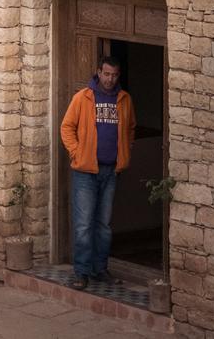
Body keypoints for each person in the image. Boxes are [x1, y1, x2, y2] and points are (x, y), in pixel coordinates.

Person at [60, 53, 136, 290]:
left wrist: (125, 151)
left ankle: (100, 269)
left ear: (118, 76)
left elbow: (131, 128)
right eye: (106, 74)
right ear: (98, 72)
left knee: (104, 224)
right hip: (85, 171)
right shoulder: (83, 98)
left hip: (111, 171)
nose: (110, 79)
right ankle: (81, 272)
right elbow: (67, 127)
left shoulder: (124, 100)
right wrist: (76, 152)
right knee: (83, 224)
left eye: (114, 75)